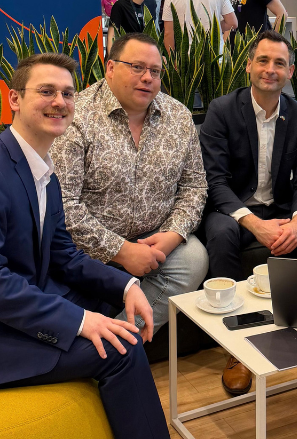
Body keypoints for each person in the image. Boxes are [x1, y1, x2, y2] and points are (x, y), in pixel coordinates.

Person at [0, 53, 170, 439]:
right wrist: (79, 321)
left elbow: (63, 255)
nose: (59, 102)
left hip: (7, 304)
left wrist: (126, 285)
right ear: (14, 99)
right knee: (120, 349)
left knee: (109, 307)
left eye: (67, 93)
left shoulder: (44, 172)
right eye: (46, 91)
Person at [200, 30, 297, 396]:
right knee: (220, 234)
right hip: (234, 210)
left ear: (290, 72)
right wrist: (254, 224)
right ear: (248, 65)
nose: (270, 69)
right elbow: (215, 182)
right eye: (262, 60)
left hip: (280, 207)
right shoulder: (221, 110)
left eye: (280, 63)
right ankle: (237, 347)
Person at [51, 33, 209, 337]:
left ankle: (117, 341)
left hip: (156, 239)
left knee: (193, 258)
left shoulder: (178, 116)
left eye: (155, 71)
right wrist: (122, 251)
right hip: (88, 248)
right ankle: (112, 346)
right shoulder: (76, 116)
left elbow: (194, 187)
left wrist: (172, 235)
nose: (147, 77)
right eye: (137, 67)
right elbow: (64, 204)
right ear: (110, 67)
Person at [163, 0, 238, 51]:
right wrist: (214, 28)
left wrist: (172, 60)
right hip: (215, 56)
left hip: (186, 61)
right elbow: (232, 23)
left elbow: (168, 33)